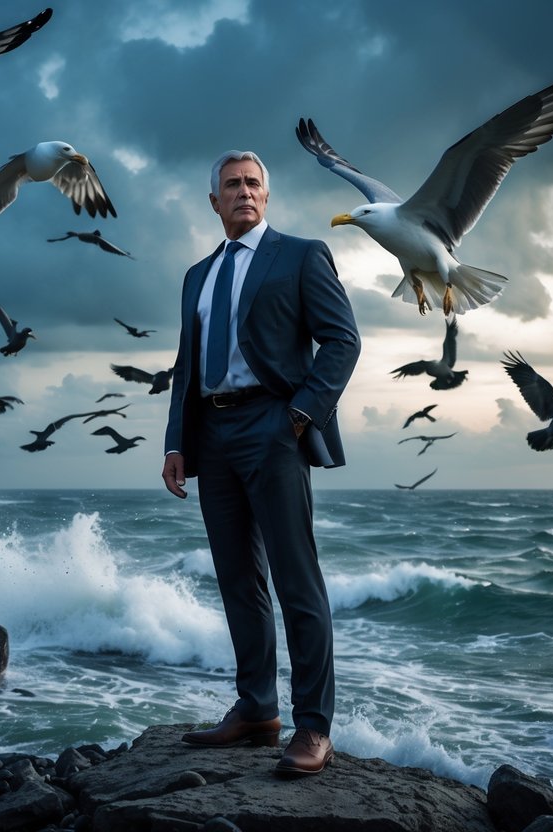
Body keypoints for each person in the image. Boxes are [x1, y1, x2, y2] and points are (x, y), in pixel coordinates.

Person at [162, 150, 360, 774]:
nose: (243, 191)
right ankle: (256, 709)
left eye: (253, 183)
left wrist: (300, 415)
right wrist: (176, 442)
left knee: (296, 580)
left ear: (266, 196)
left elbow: (343, 340)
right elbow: (186, 366)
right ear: (214, 201)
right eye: (232, 185)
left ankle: (313, 727)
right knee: (238, 580)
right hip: (213, 433)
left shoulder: (300, 256)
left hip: (275, 426)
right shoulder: (197, 275)